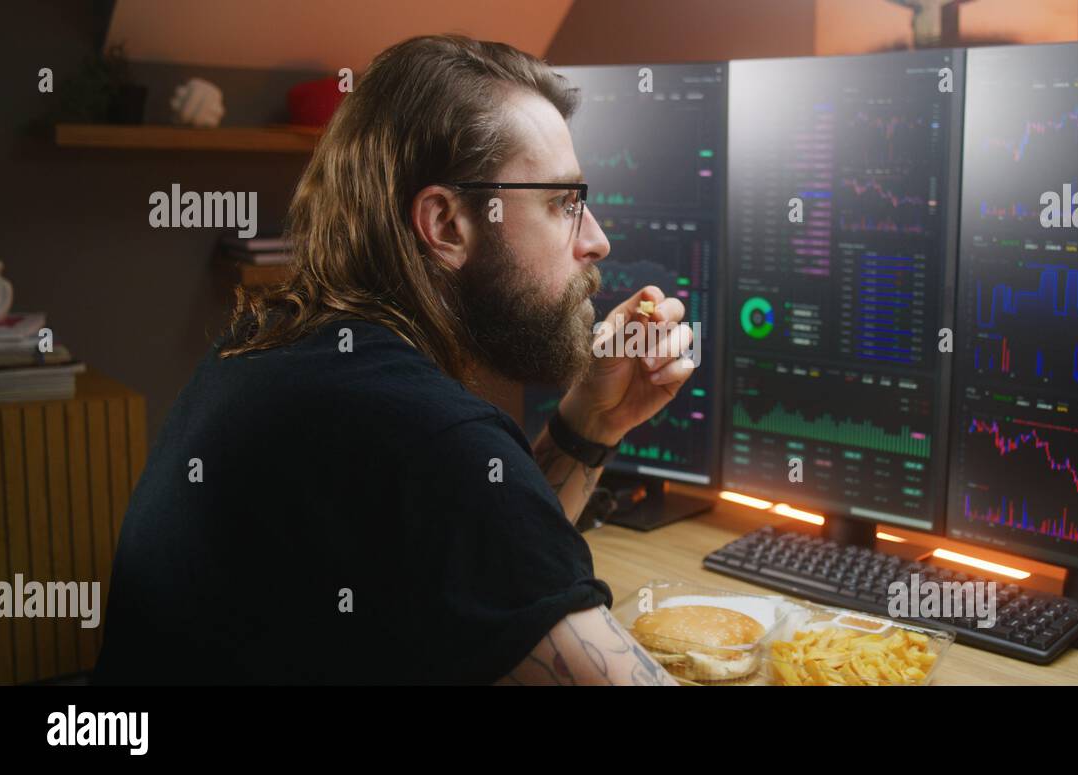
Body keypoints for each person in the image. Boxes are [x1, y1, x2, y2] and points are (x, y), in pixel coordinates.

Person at [93, 34, 695, 685]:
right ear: (445, 224)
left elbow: (480, 573)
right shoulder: (424, 435)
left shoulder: (281, 345)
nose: (598, 239)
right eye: (561, 204)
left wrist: (590, 423)